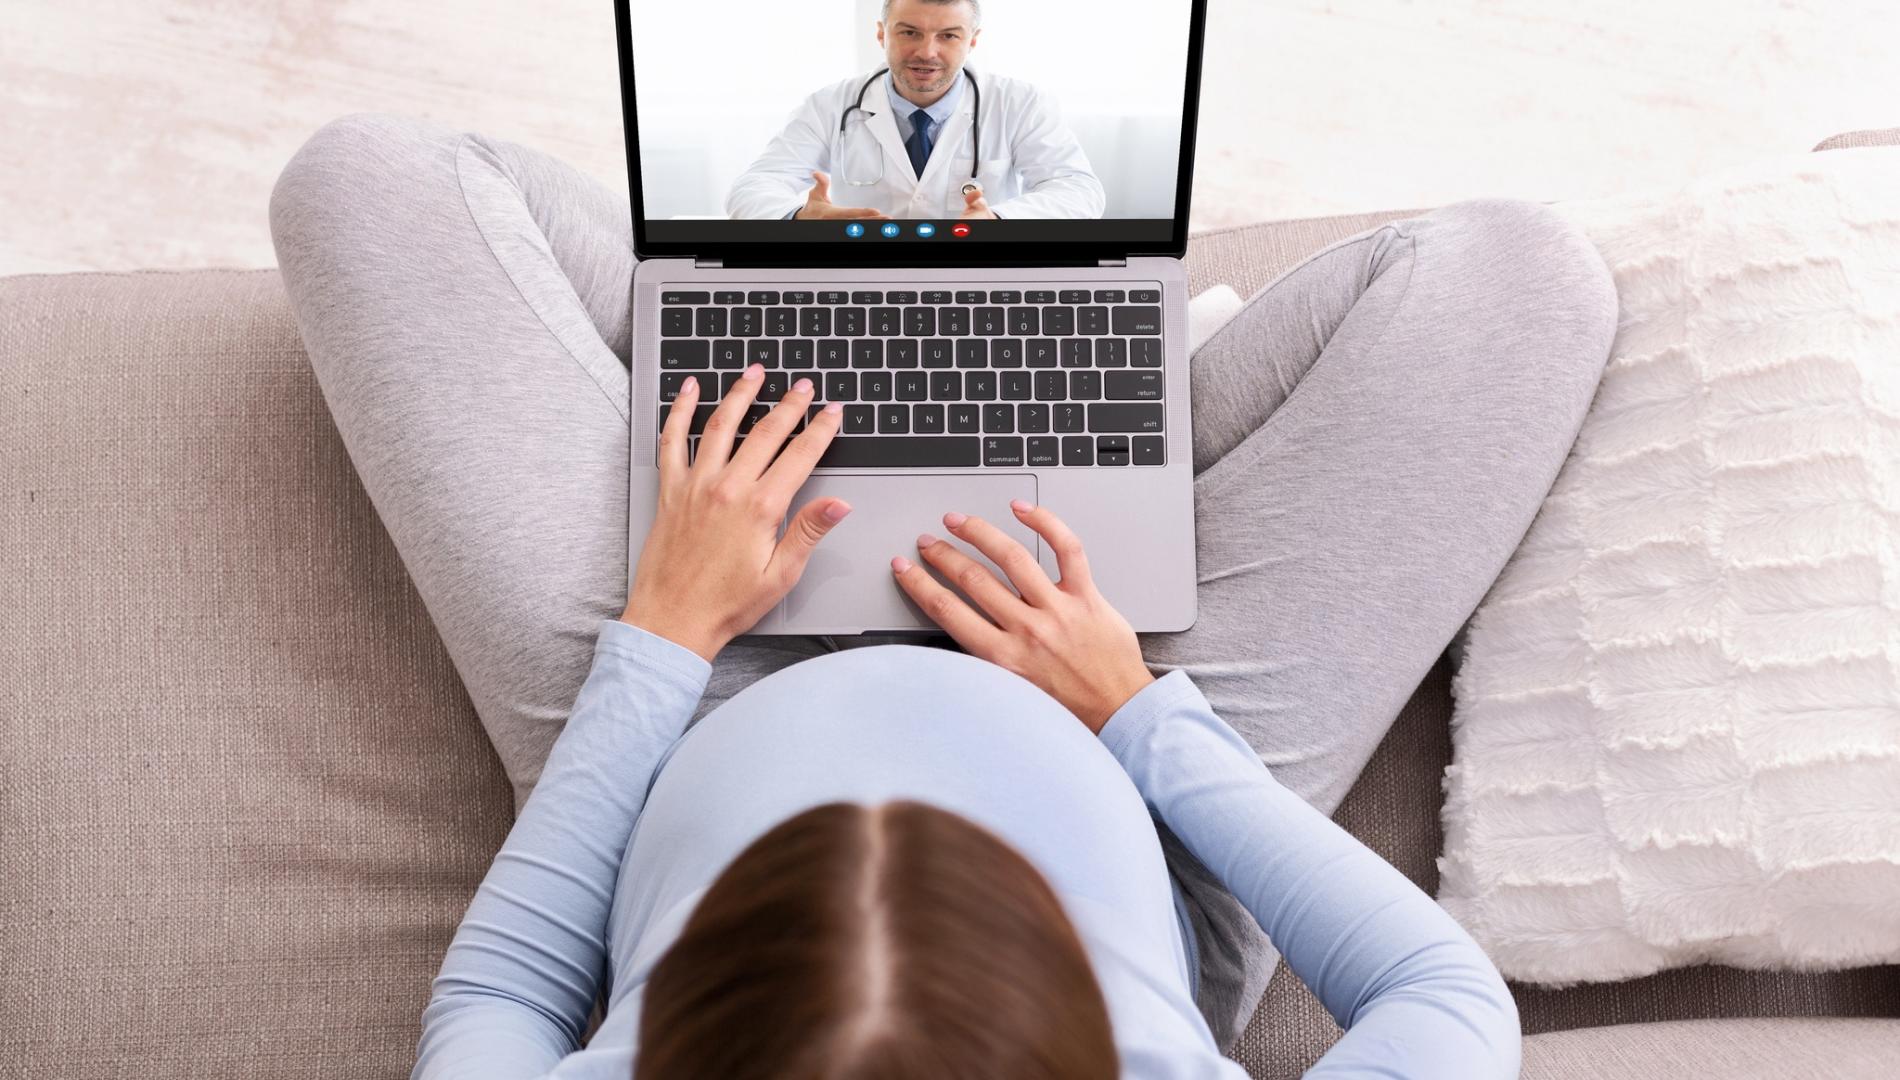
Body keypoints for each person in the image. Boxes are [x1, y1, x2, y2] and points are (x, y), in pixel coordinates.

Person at [267, 102, 1617, 1075]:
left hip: (689, 701)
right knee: (1518, 282)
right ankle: (1070, 399)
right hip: (1117, 740)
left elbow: (500, 994)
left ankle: (771, 344)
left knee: (370, 181)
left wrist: (661, 635)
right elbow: (1443, 996)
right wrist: (1138, 717)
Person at [725, 0, 1104, 221]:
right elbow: (750, 189)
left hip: (982, 272)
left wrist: (999, 220)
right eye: (909, 32)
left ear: (972, 40)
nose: (927, 52)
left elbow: (1080, 190)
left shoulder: (1020, 102)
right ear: (881, 34)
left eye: (948, 36)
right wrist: (800, 217)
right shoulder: (829, 103)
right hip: (862, 274)